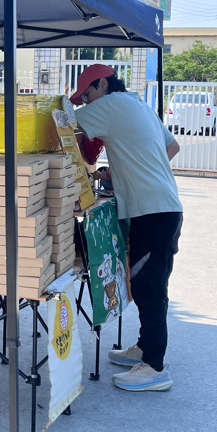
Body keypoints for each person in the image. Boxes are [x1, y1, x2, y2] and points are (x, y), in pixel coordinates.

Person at [70, 64, 182, 392]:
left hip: (153, 212)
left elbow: (63, 124)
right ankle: (145, 348)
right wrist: (127, 171)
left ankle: (155, 368)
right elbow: (172, 147)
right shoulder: (137, 104)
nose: (86, 103)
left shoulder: (109, 104)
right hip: (165, 207)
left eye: (87, 95)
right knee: (148, 282)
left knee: (149, 288)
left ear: (103, 85)